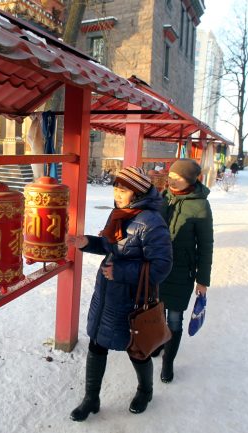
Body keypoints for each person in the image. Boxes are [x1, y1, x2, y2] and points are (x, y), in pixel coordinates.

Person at [66, 166, 173, 421]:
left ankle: (145, 391)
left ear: (136, 192)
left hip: (132, 301)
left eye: (123, 188)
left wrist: (122, 272)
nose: (117, 192)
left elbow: (162, 266)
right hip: (106, 296)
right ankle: (91, 399)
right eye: (115, 186)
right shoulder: (120, 214)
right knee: (96, 343)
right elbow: (108, 244)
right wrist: (87, 243)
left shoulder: (152, 222)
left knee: (137, 349)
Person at [158, 159, 214, 383]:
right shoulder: (162, 197)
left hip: (182, 270)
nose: (171, 179)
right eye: (169, 175)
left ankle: (168, 362)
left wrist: (203, 280)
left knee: (174, 318)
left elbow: (206, 245)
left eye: (177, 177)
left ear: (190, 180)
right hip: (158, 266)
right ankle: (157, 344)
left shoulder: (200, 205)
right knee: (156, 312)